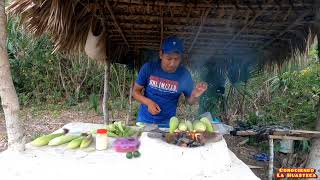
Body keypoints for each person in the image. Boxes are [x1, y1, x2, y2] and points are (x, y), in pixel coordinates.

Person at [132, 36, 208, 128]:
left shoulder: (184, 75)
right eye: (168, 58)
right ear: (161, 55)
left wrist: (195, 95)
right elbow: (135, 92)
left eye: (176, 59)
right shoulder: (148, 68)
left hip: (168, 125)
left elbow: (190, 102)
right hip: (144, 121)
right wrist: (148, 102)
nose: (172, 63)